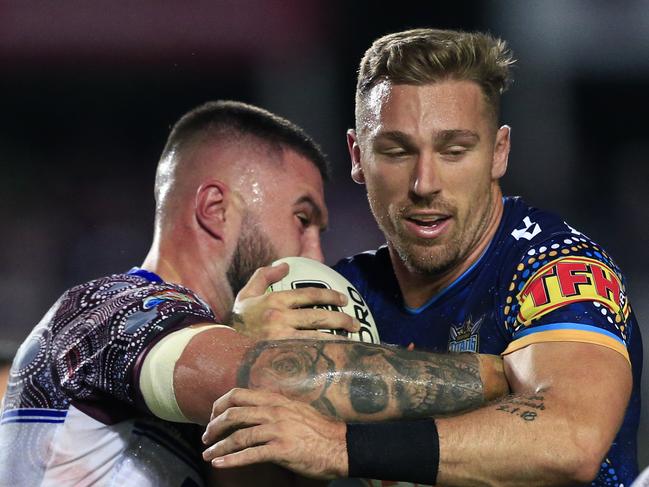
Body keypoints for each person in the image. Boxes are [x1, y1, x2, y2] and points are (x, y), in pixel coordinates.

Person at [202, 30, 643, 487]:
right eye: (396, 151)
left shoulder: (556, 267)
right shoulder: (336, 297)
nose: (424, 183)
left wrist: (335, 445)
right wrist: (248, 364)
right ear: (357, 157)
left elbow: (570, 439)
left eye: (455, 151)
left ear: (498, 153)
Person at [0, 100, 509, 486]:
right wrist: (507, 375)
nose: (315, 253)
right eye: (303, 219)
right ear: (216, 209)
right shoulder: (106, 310)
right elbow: (270, 378)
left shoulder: (204, 376)